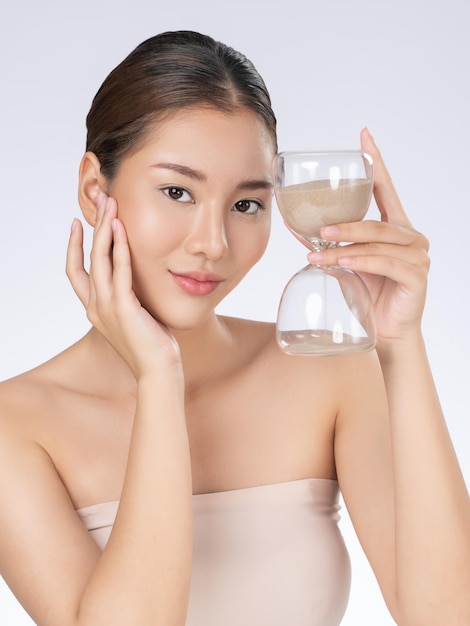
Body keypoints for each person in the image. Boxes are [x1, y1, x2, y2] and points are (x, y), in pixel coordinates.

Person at [0, 30, 468, 626]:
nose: (212, 244)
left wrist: (401, 346)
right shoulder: (14, 427)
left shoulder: (324, 368)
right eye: (176, 191)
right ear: (96, 191)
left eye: (246, 204)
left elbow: (448, 615)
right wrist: (159, 378)